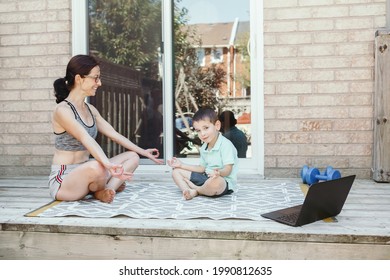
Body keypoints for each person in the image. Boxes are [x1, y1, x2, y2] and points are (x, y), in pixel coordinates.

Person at [49, 54, 163, 203]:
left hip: (88, 169)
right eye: (95, 78)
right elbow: (85, 138)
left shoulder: (90, 109)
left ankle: (107, 189)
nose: (99, 83)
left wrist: (143, 152)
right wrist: (108, 165)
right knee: (98, 167)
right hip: (64, 181)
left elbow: (114, 135)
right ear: (79, 79)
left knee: (132, 157)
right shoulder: (62, 110)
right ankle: (100, 187)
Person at [167, 107, 238, 200]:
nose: (202, 134)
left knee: (215, 182)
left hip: (222, 181)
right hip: (205, 178)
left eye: (206, 128)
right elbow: (201, 168)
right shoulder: (204, 147)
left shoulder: (225, 145)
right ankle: (187, 190)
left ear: (217, 125)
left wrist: (218, 173)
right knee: (176, 171)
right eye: (198, 130)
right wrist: (181, 165)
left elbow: (228, 169)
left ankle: (197, 190)